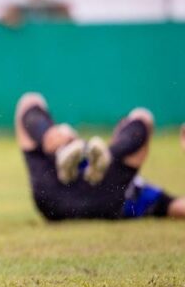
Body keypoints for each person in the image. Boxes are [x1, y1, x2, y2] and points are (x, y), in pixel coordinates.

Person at [14, 92, 184, 220]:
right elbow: (178, 207)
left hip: (54, 199)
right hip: (107, 203)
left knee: (30, 101)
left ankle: (56, 143)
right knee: (142, 119)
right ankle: (97, 152)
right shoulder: (145, 192)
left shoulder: (138, 186)